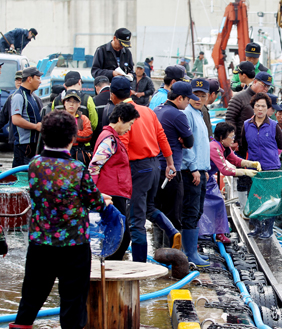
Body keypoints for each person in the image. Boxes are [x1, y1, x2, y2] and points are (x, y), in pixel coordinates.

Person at [9, 110, 121, 329]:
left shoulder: (34, 165)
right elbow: (94, 202)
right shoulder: (77, 169)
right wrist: (105, 202)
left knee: (30, 299)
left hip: (40, 244)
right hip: (74, 246)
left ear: (46, 137)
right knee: (72, 303)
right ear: (72, 139)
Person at [111, 76, 182, 262]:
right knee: (149, 207)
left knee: (136, 220)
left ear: (112, 96)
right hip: (155, 165)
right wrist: (170, 163)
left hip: (137, 168)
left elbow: (123, 146)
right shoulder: (147, 111)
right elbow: (162, 137)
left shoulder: (122, 115)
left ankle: (139, 266)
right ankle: (172, 230)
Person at [89, 103, 140, 261]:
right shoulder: (110, 140)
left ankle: (109, 268)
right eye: (130, 124)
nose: (129, 129)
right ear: (120, 119)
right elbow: (94, 167)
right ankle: (110, 270)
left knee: (118, 235)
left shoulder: (112, 138)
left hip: (115, 192)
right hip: (110, 193)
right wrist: (95, 193)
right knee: (121, 236)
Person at [200, 122, 260, 243]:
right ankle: (200, 233)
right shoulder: (214, 147)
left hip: (209, 178)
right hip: (201, 177)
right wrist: (244, 172)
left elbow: (235, 160)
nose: (233, 139)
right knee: (200, 206)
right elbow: (225, 170)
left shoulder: (225, 148)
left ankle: (219, 233)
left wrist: (250, 164)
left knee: (219, 202)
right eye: (231, 137)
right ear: (222, 138)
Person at [153, 82, 196, 248]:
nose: (189, 103)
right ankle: (172, 258)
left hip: (155, 167)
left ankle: (158, 251)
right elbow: (190, 141)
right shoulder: (178, 115)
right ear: (180, 98)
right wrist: (183, 141)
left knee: (157, 210)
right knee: (173, 214)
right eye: (187, 100)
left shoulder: (156, 110)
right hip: (171, 169)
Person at [225, 71, 272, 207]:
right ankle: (244, 206)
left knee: (257, 177)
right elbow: (230, 119)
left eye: (268, 87)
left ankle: (256, 204)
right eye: (264, 85)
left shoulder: (264, 101)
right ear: (255, 82)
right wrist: (233, 140)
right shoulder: (239, 98)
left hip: (259, 147)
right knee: (243, 177)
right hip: (242, 146)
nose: (266, 89)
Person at [241, 93, 282, 239]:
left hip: (271, 168)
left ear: (268, 109)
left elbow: (280, 144)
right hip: (254, 168)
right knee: (254, 198)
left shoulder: (273, 126)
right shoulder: (246, 125)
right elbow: (243, 145)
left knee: (270, 199)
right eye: (257, 106)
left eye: (263, 106)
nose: (260, 109)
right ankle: (257, 228)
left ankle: (268, 229)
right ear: (253, 107)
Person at [180, 78, 211, 266]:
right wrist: (194, 168)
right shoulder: (187, 114)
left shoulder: (200, 114)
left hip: (201, 169)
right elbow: (186, 145)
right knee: (190, 211)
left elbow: (202, 145)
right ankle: (189, 253)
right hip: (191, 170)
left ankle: (192, 250)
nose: (198, 99)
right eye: (195, 95)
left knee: (198, 210)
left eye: (202, 95)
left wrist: (204, 168)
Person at [11, 67, 43, 167]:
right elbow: (16, 119)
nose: (40, 81)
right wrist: (36, 126)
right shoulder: (18, 96)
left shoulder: (32, 96)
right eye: (38, 78)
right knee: (21, 176)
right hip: (23, 147)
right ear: (29, 79)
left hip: (33, 145)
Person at [0, 71, 42, 146]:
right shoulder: (12, 98)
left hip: (30, 141)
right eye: (17, 80)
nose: (19, 82)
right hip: (16, 139)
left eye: (21, 79)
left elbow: (40, 119)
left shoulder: (35, 99)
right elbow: (2, 118)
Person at [62, 91, 93, 166]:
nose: (71, 104)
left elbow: (88, 135)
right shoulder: (58, 118)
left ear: (79, 104)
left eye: (75, 102)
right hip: (62, 150)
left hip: (78, 151)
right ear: (64, 103)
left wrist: (70, 133)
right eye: (69, 101)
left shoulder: (83, 118)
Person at [92, 75, 111, 143]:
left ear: (96, 87)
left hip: (99, 138)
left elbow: (93, 122)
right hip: (116, 137)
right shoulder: (117, 97)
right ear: (110, 84)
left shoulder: (94, 100)